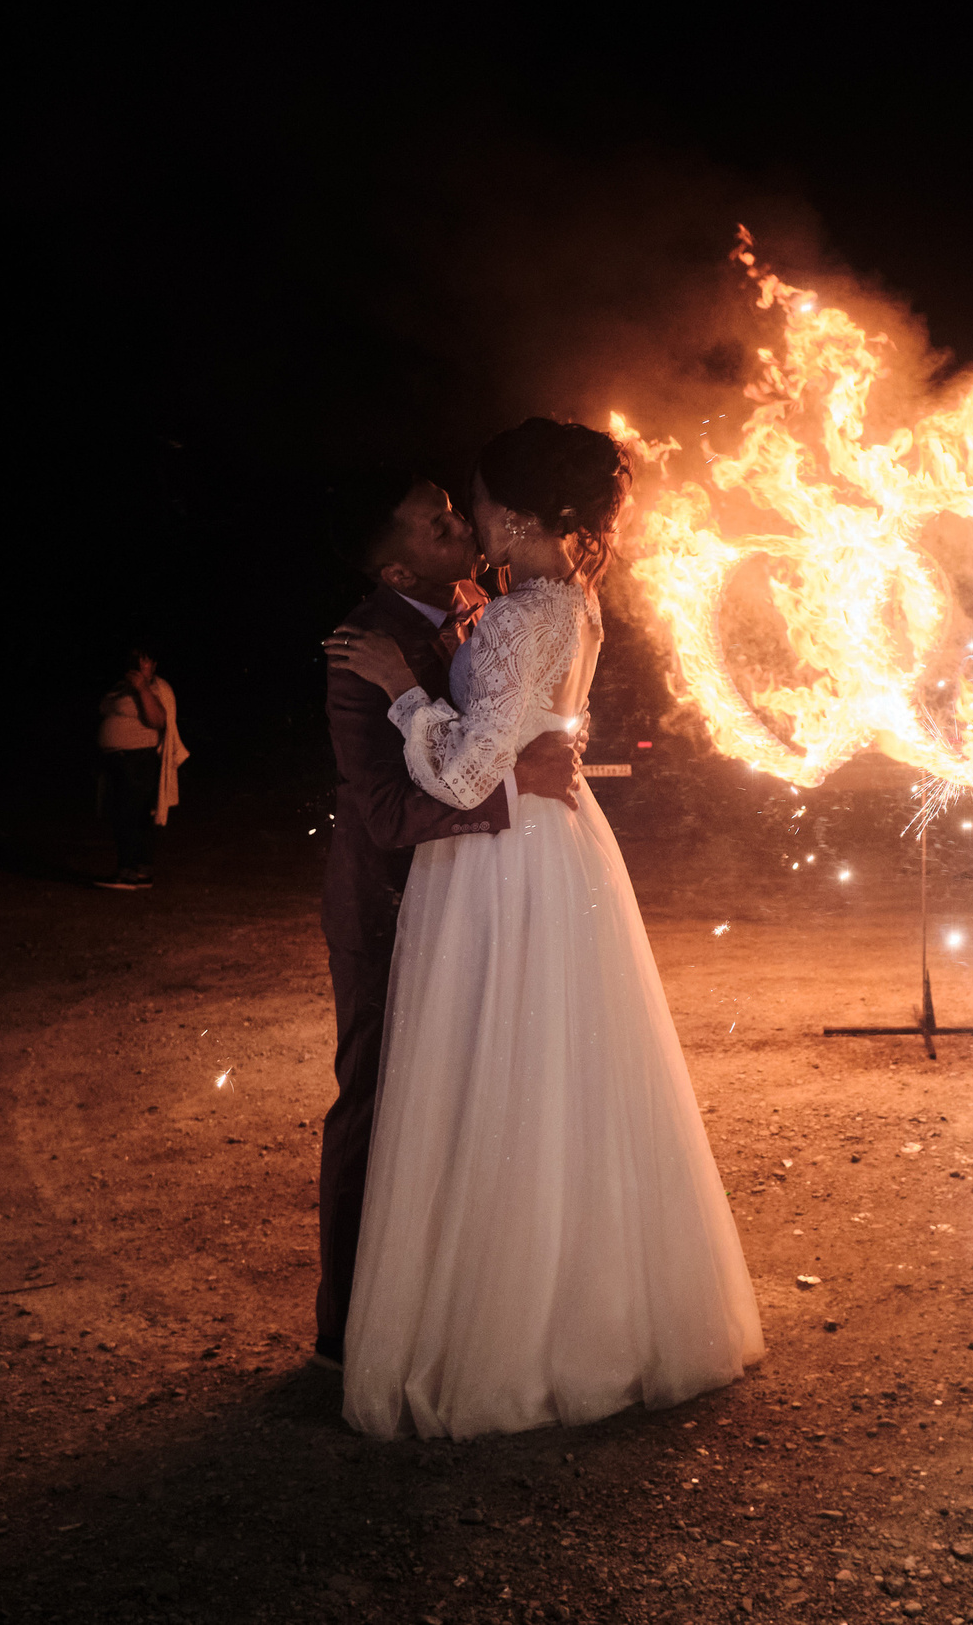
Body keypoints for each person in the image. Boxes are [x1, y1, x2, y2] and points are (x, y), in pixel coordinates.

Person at [324, 421, 762, 1440]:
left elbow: (463, 776)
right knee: (558, 1076)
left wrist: (402, 694)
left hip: (494, 862)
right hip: (553, 851)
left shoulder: (520, 617)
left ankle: (500, 1335)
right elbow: (528, 735)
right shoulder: (569, 602)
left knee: (493, 1073)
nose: (467, 522)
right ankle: (587, 1316)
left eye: (474, 505)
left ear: (515, 516)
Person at [312, 471, 586, 1377]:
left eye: (454, 511)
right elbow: (386, 813)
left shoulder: (480, 608)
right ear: (397, 563)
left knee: (463, 1097)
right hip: (387, 904)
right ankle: (347, 1329)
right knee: (379, 1096)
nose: (459, 526)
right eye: (436, 525)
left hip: (468, 893)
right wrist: (514, 785)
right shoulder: (363, 646)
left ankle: (448, 1304)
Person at [94, 643, 186, 890]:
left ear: (153, 665)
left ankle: (128, 872)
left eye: (144, 660)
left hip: (137, 760)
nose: (138, 664)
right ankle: (141, 871)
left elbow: (157, 720)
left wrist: (142, 688)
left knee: (129, 816)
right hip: (119, 760)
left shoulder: (154, 687)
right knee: (129, 815)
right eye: (135, 659)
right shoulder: (121, 686)